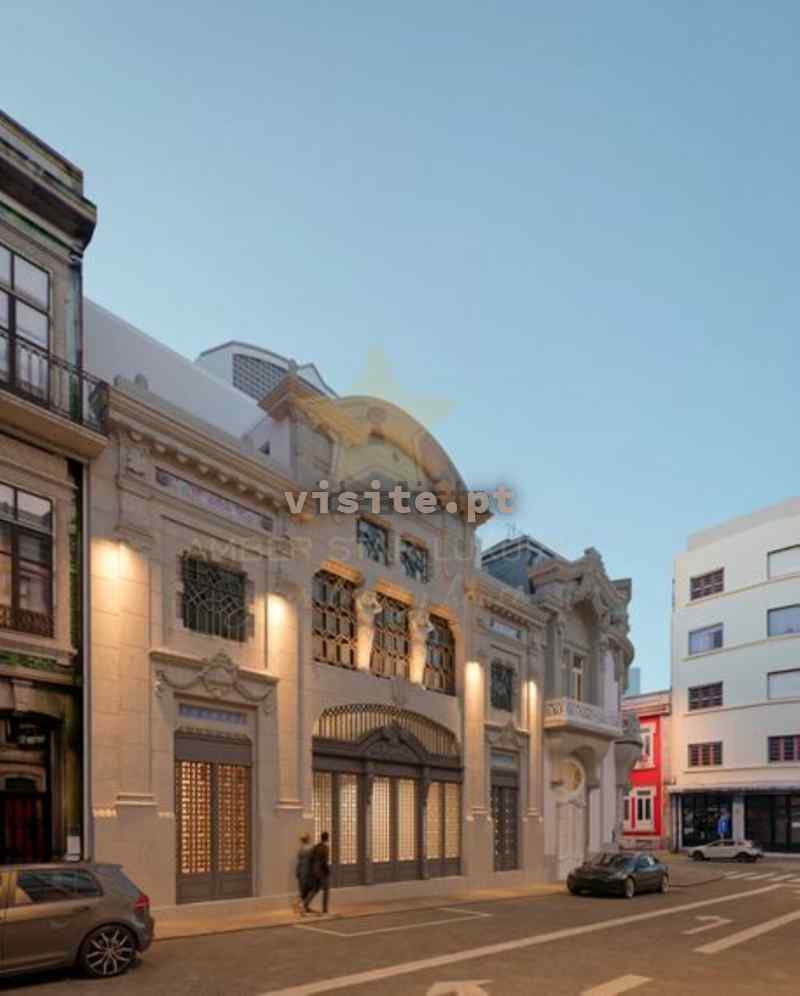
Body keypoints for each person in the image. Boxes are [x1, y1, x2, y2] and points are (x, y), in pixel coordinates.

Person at [304, 831, 331, 914]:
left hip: (314, 871)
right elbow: (325, 862)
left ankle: (305, 904)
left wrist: (311, 870)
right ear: (327, 838)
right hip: (321, 872)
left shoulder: (316, 847)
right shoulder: (325, 848)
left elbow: (310, 859)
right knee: (326, 889)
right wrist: (328, 871)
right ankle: (325, 909)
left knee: (315, 889)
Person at [293, 833, 313, 914]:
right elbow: (311, 861)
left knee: (303, 890)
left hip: (301, 871)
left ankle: (304, 906)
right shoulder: (310, 849)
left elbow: (299, 862)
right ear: (308, 839)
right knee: (308, 890)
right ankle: (300, 905)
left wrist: (297, 871)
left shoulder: (301, 849)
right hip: (307, 872)